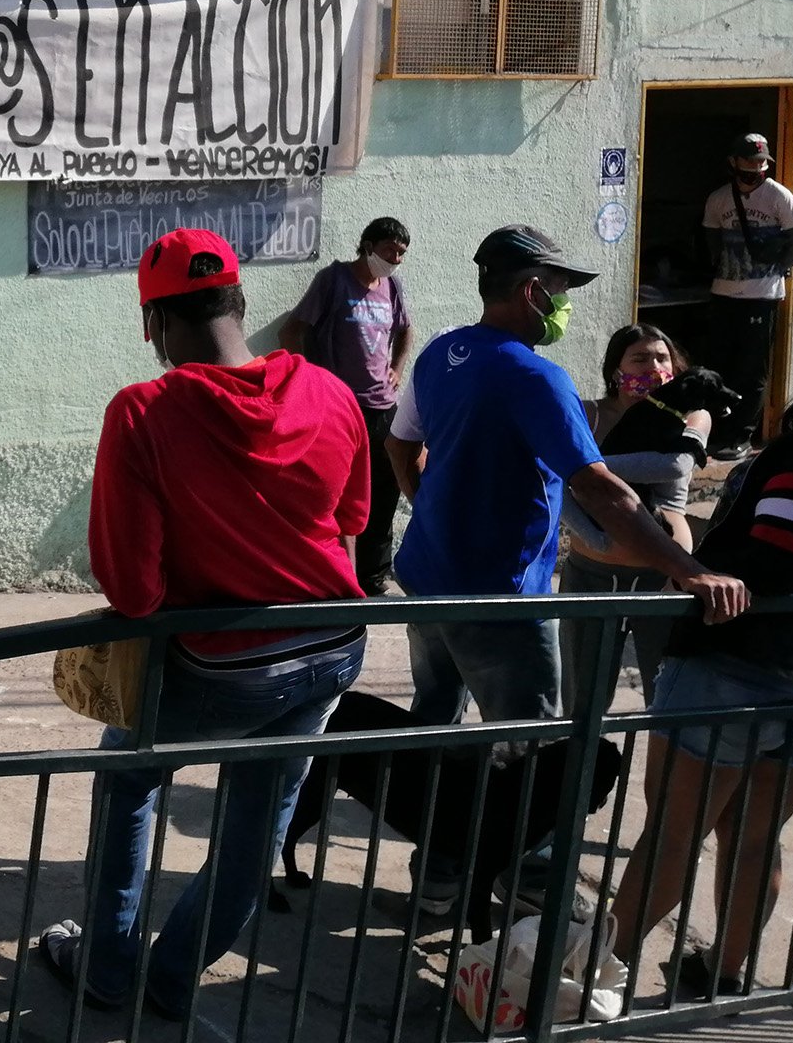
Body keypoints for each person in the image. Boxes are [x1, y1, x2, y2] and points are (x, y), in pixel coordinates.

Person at [40, 228, 369, 1021]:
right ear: (240, 300)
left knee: (129, 779)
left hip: (216, 665)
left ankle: (110, 969)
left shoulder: (143, 411)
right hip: (332, 648)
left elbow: (135, 589)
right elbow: (353, 523)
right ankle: (174, 975)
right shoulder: (331, 392)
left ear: (153, 325)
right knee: (260, 819)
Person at [384, 225, 748, 914]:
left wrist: (429, 508)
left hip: (430, 575)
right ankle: (531, 885)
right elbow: (602, 489)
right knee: (533, 748)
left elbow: (401, 443)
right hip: (498, 598)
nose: (565, 305)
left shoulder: (440, 354)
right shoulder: (534, 375)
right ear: (530, 290)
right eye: (560, 291)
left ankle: (436, 874)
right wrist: (686, 568)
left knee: (437, 726)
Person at [611, 315, 793, 999]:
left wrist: (695, 564)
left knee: (673, 836)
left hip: (737, 671)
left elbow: (778, 563)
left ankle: (594, 976)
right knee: (756, 838)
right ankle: (724, 975)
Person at [556, 325, 715, 715]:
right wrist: (595, 537)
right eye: (640, 358)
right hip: (590, 577)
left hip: (663, 582)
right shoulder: (588, 414)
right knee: (583, 704)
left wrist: (586, 468)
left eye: (662, 358)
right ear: (615, 369)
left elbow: (674, 465)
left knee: (665, 700)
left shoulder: (693, 416)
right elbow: (552, 481)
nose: (654, 367)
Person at [280, 216, 414, 596]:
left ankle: (374, 577)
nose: (396, 259)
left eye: (402, 253)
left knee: (385, 492)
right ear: (368, 245)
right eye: (390, 250)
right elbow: (292, 330)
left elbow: (406, 330)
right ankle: (337, 574)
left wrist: (397, 369)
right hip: (342, 408)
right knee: (337, 496)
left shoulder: (392, 286)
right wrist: (310, 381)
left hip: (383, 408)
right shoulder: (333, 280)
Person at [702, 133, 793, 460]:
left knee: (751, 370)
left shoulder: (779, 197)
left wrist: (779, 268)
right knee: (720, 365)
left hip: (761, 298)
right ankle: (714, 432)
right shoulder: (719, 199)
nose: (757, 167)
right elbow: (711, 243)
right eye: (750, 161)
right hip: (723, 294)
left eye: (762, 162)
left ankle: (742, 437)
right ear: (734, 162)